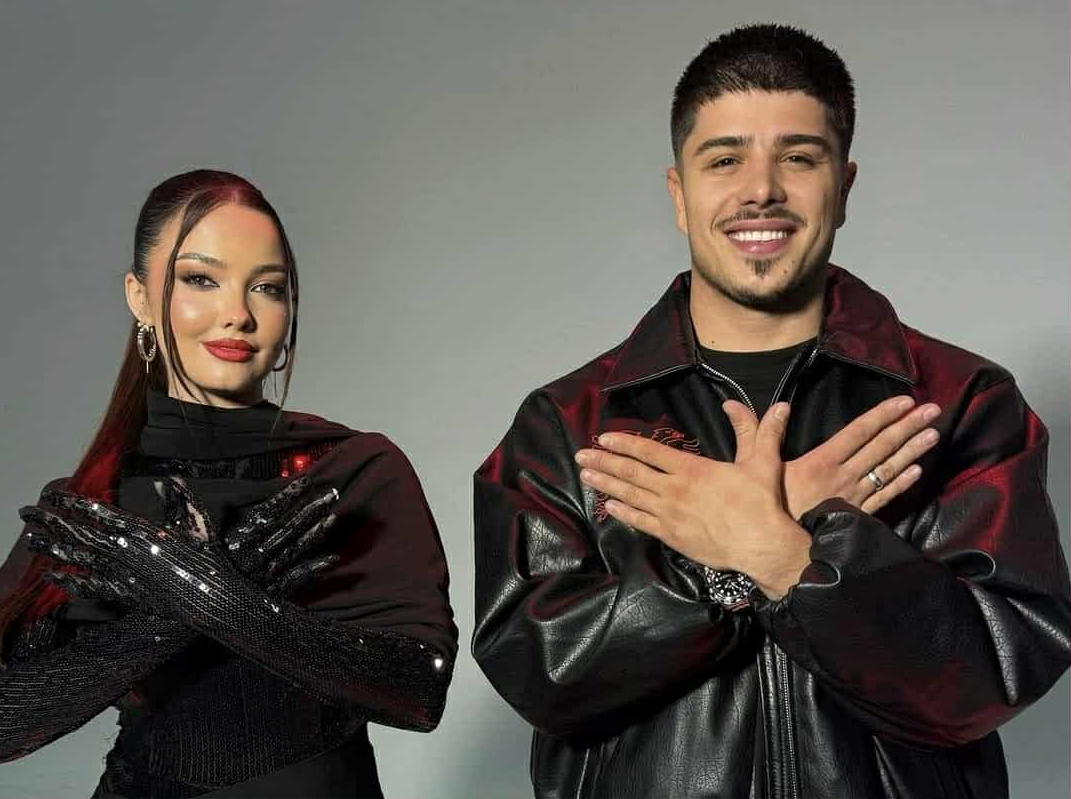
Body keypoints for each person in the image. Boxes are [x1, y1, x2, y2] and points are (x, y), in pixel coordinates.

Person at [472, 24, 1070, 799]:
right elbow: (540, 673)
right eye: (724, 159)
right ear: (678, 194)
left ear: (843, 187)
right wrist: (725, 564)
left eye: (798, 157)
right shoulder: (568, 421)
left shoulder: (956, 401)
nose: (760, 189)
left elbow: (986, 675)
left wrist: (789, 554)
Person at [0, 169, 457, 798]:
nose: (238, 314)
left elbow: (418, 691)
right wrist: (173, 606)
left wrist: (209, 593)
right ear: (139, 297)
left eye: (266, 287)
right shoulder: (96, 509)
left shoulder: (351, 473)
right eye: (200, 279)